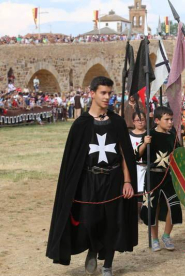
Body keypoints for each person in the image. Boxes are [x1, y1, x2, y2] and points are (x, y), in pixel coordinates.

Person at [46, 76, 138, 276]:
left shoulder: (117, 122)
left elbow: (124, 154)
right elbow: (73, 160)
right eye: (103, 93)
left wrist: (128, 181)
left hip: (113, 179)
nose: (107, 97)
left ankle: (108, 265)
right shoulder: (81, 124)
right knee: (89, 220)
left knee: (113, 221)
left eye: (109, 93)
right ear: (92, 94)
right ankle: (94, 249)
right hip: (89, 180)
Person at [138, 106, 182, 252]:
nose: (170, 122)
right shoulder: (149, 135)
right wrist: (145, 143)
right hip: (153, 175)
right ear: (157, 120)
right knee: (153, 206)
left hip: (169, 176)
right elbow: (136, 154)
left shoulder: (172, 136)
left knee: (173, 204)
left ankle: (166, 235)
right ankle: (155, 238)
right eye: (167, 119)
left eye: (171, 119)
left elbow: (179, 156)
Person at [130, 111, 149, 217]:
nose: (140, 122)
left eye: (142, 119)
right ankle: (135, 214)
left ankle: (144, 213)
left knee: (145, 191)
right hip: (134, 167)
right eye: (138, 120)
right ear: (133, 121)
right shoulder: (129, 135)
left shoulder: (149, 134)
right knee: (136, 190)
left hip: (146, 166)